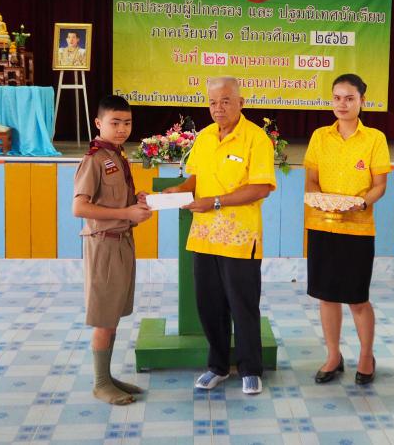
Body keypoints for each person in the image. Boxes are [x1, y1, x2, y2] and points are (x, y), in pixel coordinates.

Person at [164, 77, 276, 395]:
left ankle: (250, 369)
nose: (218, 108)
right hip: (204, 237)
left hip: (240, 239)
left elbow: (261, 188)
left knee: (243, 305)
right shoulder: (204, 137)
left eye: (226, 101)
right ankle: (217, 366)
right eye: (213, 102)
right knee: (209, 304)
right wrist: (178, 190)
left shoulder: (256, 139)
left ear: (241, 102)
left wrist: (214, 202)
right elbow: (195, 179)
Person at [304, 74, 390, 385]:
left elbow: (380, 185)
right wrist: (321, 200)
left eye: (349, 98)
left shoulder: (375, 139)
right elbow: (311, 180)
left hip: (358, 228)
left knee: (357, 298)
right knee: (327, 296)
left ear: (362, 101)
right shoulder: (319, 136)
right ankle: (333, 356)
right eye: (337, 98)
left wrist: (361, 203)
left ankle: (366, 356)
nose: (342, 104)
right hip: (321, 226)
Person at [73, 95, 152, 405]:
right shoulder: (94, 160)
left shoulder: (116, 155)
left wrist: (135, 201)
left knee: (113, 313)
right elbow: (79, 207)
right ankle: (100, 383)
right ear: (98, 123)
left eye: (127, 123)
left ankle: (107, 376)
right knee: (104, 317)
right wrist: (125, 213)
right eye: (115, 123)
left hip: (121, 242)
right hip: (104, 245)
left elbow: (114, 198)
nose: (122, 129)